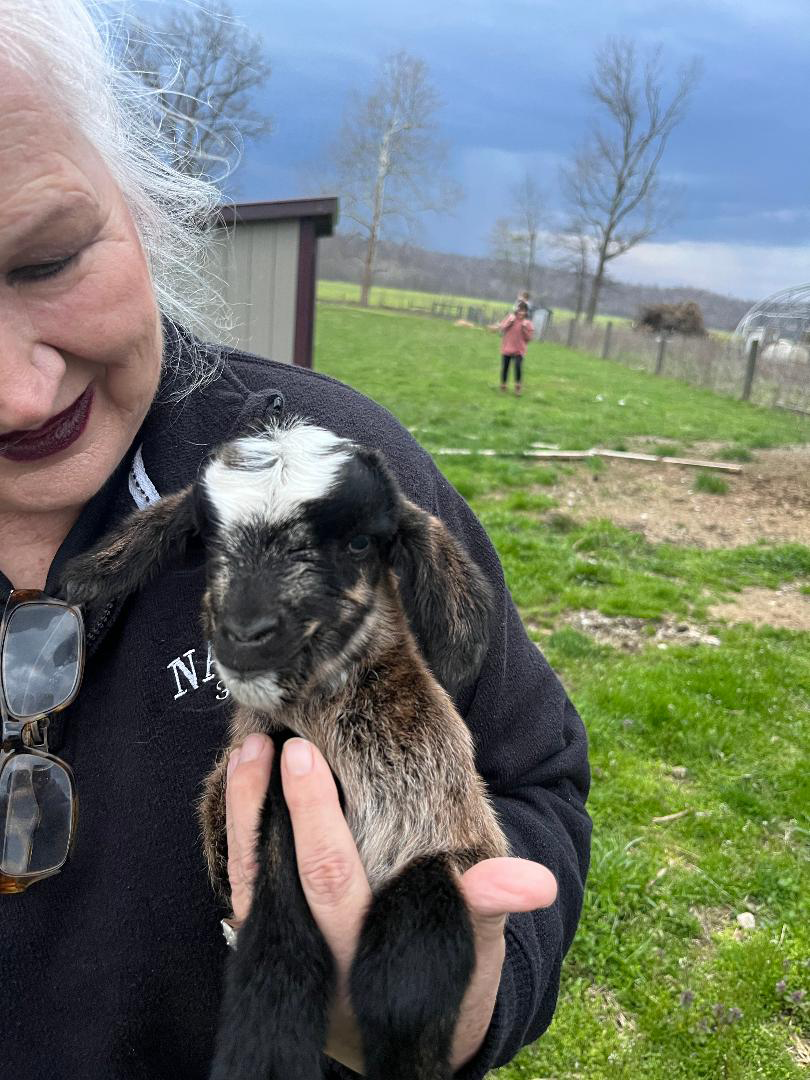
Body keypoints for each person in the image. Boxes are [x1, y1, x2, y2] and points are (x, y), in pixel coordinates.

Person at [0, 3, 591, 1078]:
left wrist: (456, 1005)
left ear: (142, 207)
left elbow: (532, 772)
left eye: (48, 260)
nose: (20, 393)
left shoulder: (340, 467)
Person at [498, 300, 534, 396]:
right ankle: (503, 386)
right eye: (520, 310)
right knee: (505, 368)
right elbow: (502, 328)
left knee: (518, 367)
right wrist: (510, 322)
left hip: (519, 350)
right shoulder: (511, 318)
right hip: (507, 348)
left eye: (524, 310)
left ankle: (518, 388)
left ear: (526, 312)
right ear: (516, 310)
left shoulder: (528, 323)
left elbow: (529, 338)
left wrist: (524, 328)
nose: (521, 312)